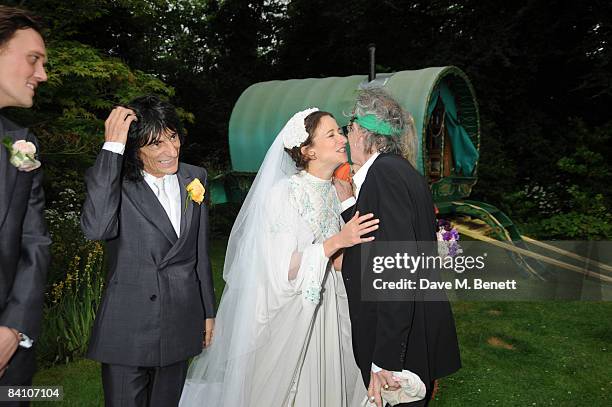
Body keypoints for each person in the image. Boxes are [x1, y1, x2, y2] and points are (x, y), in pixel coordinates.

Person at [180, 108, 375, 406]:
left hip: (333, 308)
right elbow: (282, 267)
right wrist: (338, 240)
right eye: (332, 134)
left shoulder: (338, 192)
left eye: (340, 131)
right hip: (295, 312)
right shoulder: (284, 194)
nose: (343, 139)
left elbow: (338, 262)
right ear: (308, 151)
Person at [81, 95, 216, 407]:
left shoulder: (195, 178)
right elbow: (96, 229)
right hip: (128, 327)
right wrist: (112, 146)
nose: (171, 151)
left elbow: (198, 252)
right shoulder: (112, 182)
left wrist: (208, 311)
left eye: (173, 137)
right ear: (134, 149)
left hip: (181, 322)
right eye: (156, 144)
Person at [338, 88, 461, 407]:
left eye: (349, 128)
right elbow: (378, 237)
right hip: (412, 334)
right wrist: (348, 204)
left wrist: (386, 358)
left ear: (365, 132)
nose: (347, 136)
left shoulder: (384, 175)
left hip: (400, 347)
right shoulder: (398, 171)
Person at [0, 5, 51, 401]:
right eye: (33, 59)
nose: (42, 75)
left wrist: (13, 328)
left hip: (8, 355)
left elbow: (35, 241)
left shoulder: (23, 146)